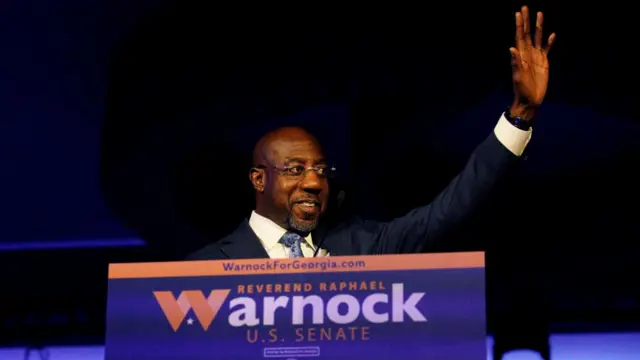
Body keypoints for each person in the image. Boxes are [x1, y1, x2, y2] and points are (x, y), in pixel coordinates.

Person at [187, 6, 556, 260]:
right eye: (295, 169)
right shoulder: (201, 271)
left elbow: (452, 208)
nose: (315, 183)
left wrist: (520, 113)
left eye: (320, 170)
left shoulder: (366, 246)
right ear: (257, 179)